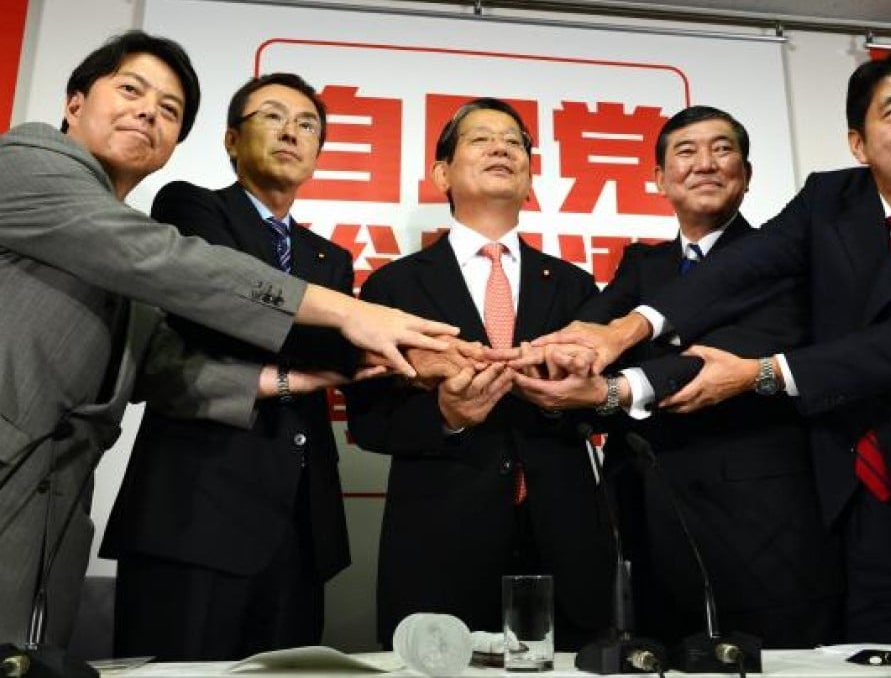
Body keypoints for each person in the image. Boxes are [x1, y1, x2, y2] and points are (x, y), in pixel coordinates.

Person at [536, 47, 891, 643]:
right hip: (853, 504)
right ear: (858, 143)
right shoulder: (828, 201)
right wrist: (625, 329)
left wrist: (759, 373)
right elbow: (741, 268)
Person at [0, 31, 455, 647]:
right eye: (131, 90)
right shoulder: (27, 162)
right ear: (75, 101)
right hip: (176, 509)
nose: (148, 112)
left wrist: (296, 377)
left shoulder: (131, 246)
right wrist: (347, 313)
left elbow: (159, 366)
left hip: (57, 507)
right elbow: (171, 263)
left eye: (169, 110)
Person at [512, 106, 842, 649]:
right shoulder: (642, 267)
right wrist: (548, 361)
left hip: (759, 528)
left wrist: (618, 383)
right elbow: (590, 336)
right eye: (686, 152)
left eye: (722, 149)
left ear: (747, 174)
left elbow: (726, 354)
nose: (705, 164)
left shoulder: (786, 259)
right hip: (644, 523)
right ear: (659, 179)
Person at [99, 73, 359, 659]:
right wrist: (336, 338)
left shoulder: (331, 258)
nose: (291, 133)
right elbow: (213, 315)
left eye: (307, 125)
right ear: (232, 140)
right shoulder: (191, 207)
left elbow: (339, 352)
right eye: (273, 116)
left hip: (301, 526)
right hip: (194, 512)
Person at [344, 98, 614, 650]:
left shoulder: (575, 287)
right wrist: (446, 416)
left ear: (530, 179)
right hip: (441, 542)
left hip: (563, 541)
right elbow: (368, 422)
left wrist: (569, 396)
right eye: (481, 139)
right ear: (441, 173)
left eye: (514, 142)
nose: (501, 149)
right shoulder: (393, 288)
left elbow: (607, 400)